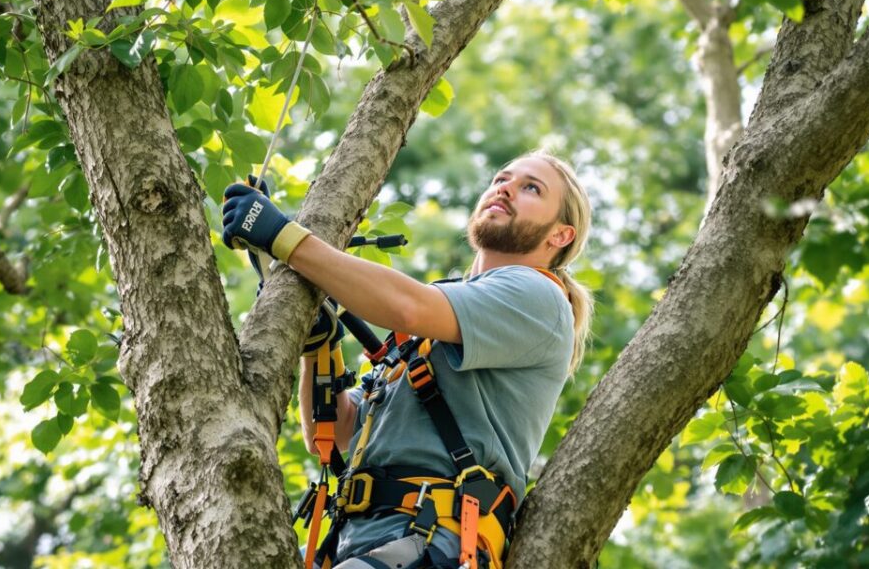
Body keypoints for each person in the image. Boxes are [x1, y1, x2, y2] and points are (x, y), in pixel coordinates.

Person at [221, 151, 593, 569]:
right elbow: (337, 433)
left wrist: (283, 237)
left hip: (432, 540)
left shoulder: (537, 297)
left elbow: (406, 306)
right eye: (500, 179)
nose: (504, 187)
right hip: (362, 543)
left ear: (560, 235)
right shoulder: (426, 337)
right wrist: (320, 347)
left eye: (531, 188)